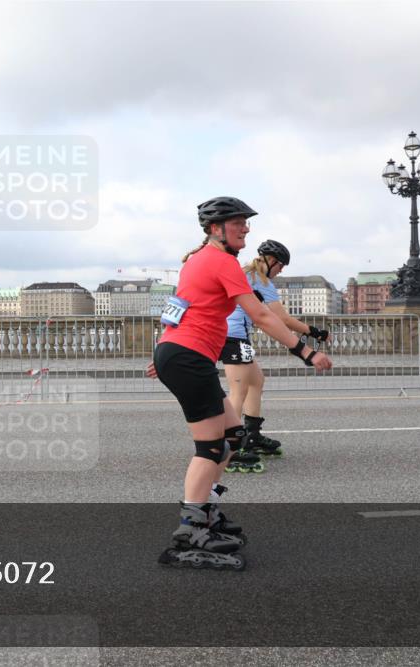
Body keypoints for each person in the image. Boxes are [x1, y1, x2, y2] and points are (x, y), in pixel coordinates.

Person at [146, 196, 332, 570]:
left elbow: (178, 306)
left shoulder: (197, 259)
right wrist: (306, 351)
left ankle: (207, 516)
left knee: (232, 441)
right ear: (216, 229)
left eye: (246, 223)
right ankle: (190, 532)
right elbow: (261, 314)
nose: (246, 228)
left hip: (183, 354)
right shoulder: (220, 261)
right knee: (210, 448)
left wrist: (164, 349)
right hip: (187, 356)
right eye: (238, 223)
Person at [221, 240, 330, 460]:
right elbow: (282, 318)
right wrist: (315, 332)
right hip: (234, 337)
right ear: (271, 261)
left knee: (257, 381)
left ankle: (252, 435)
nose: (280, 272)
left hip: (234, 336)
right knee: (238, 391)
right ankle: (230, 447)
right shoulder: (260, 281)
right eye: (281, 266)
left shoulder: (246, 274)